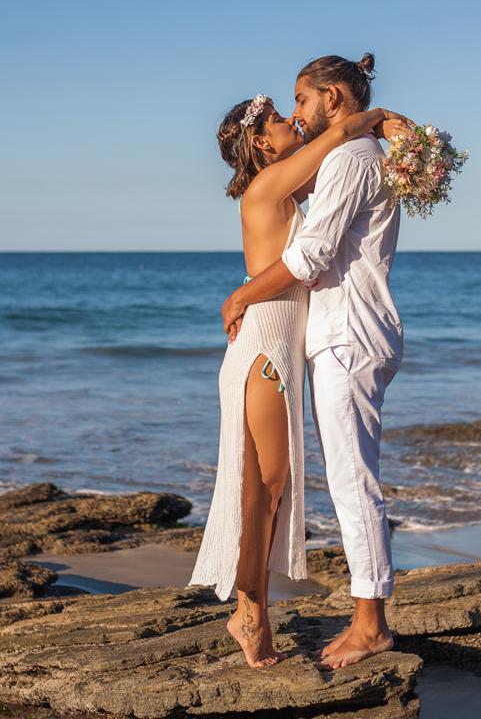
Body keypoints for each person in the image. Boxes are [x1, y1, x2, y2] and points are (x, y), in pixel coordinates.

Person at [189, 84, 410, 668]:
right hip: (264, 346)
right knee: (261, 485)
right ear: (261, 143)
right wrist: (381, 117)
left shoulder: (286, 187)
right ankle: (250, 615)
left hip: (282, 346)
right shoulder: (266, 186)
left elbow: (340, 173)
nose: (295, 122)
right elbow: (338, 134)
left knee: (273, 484)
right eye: (282, 121)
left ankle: (251, 610)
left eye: (296, 112)